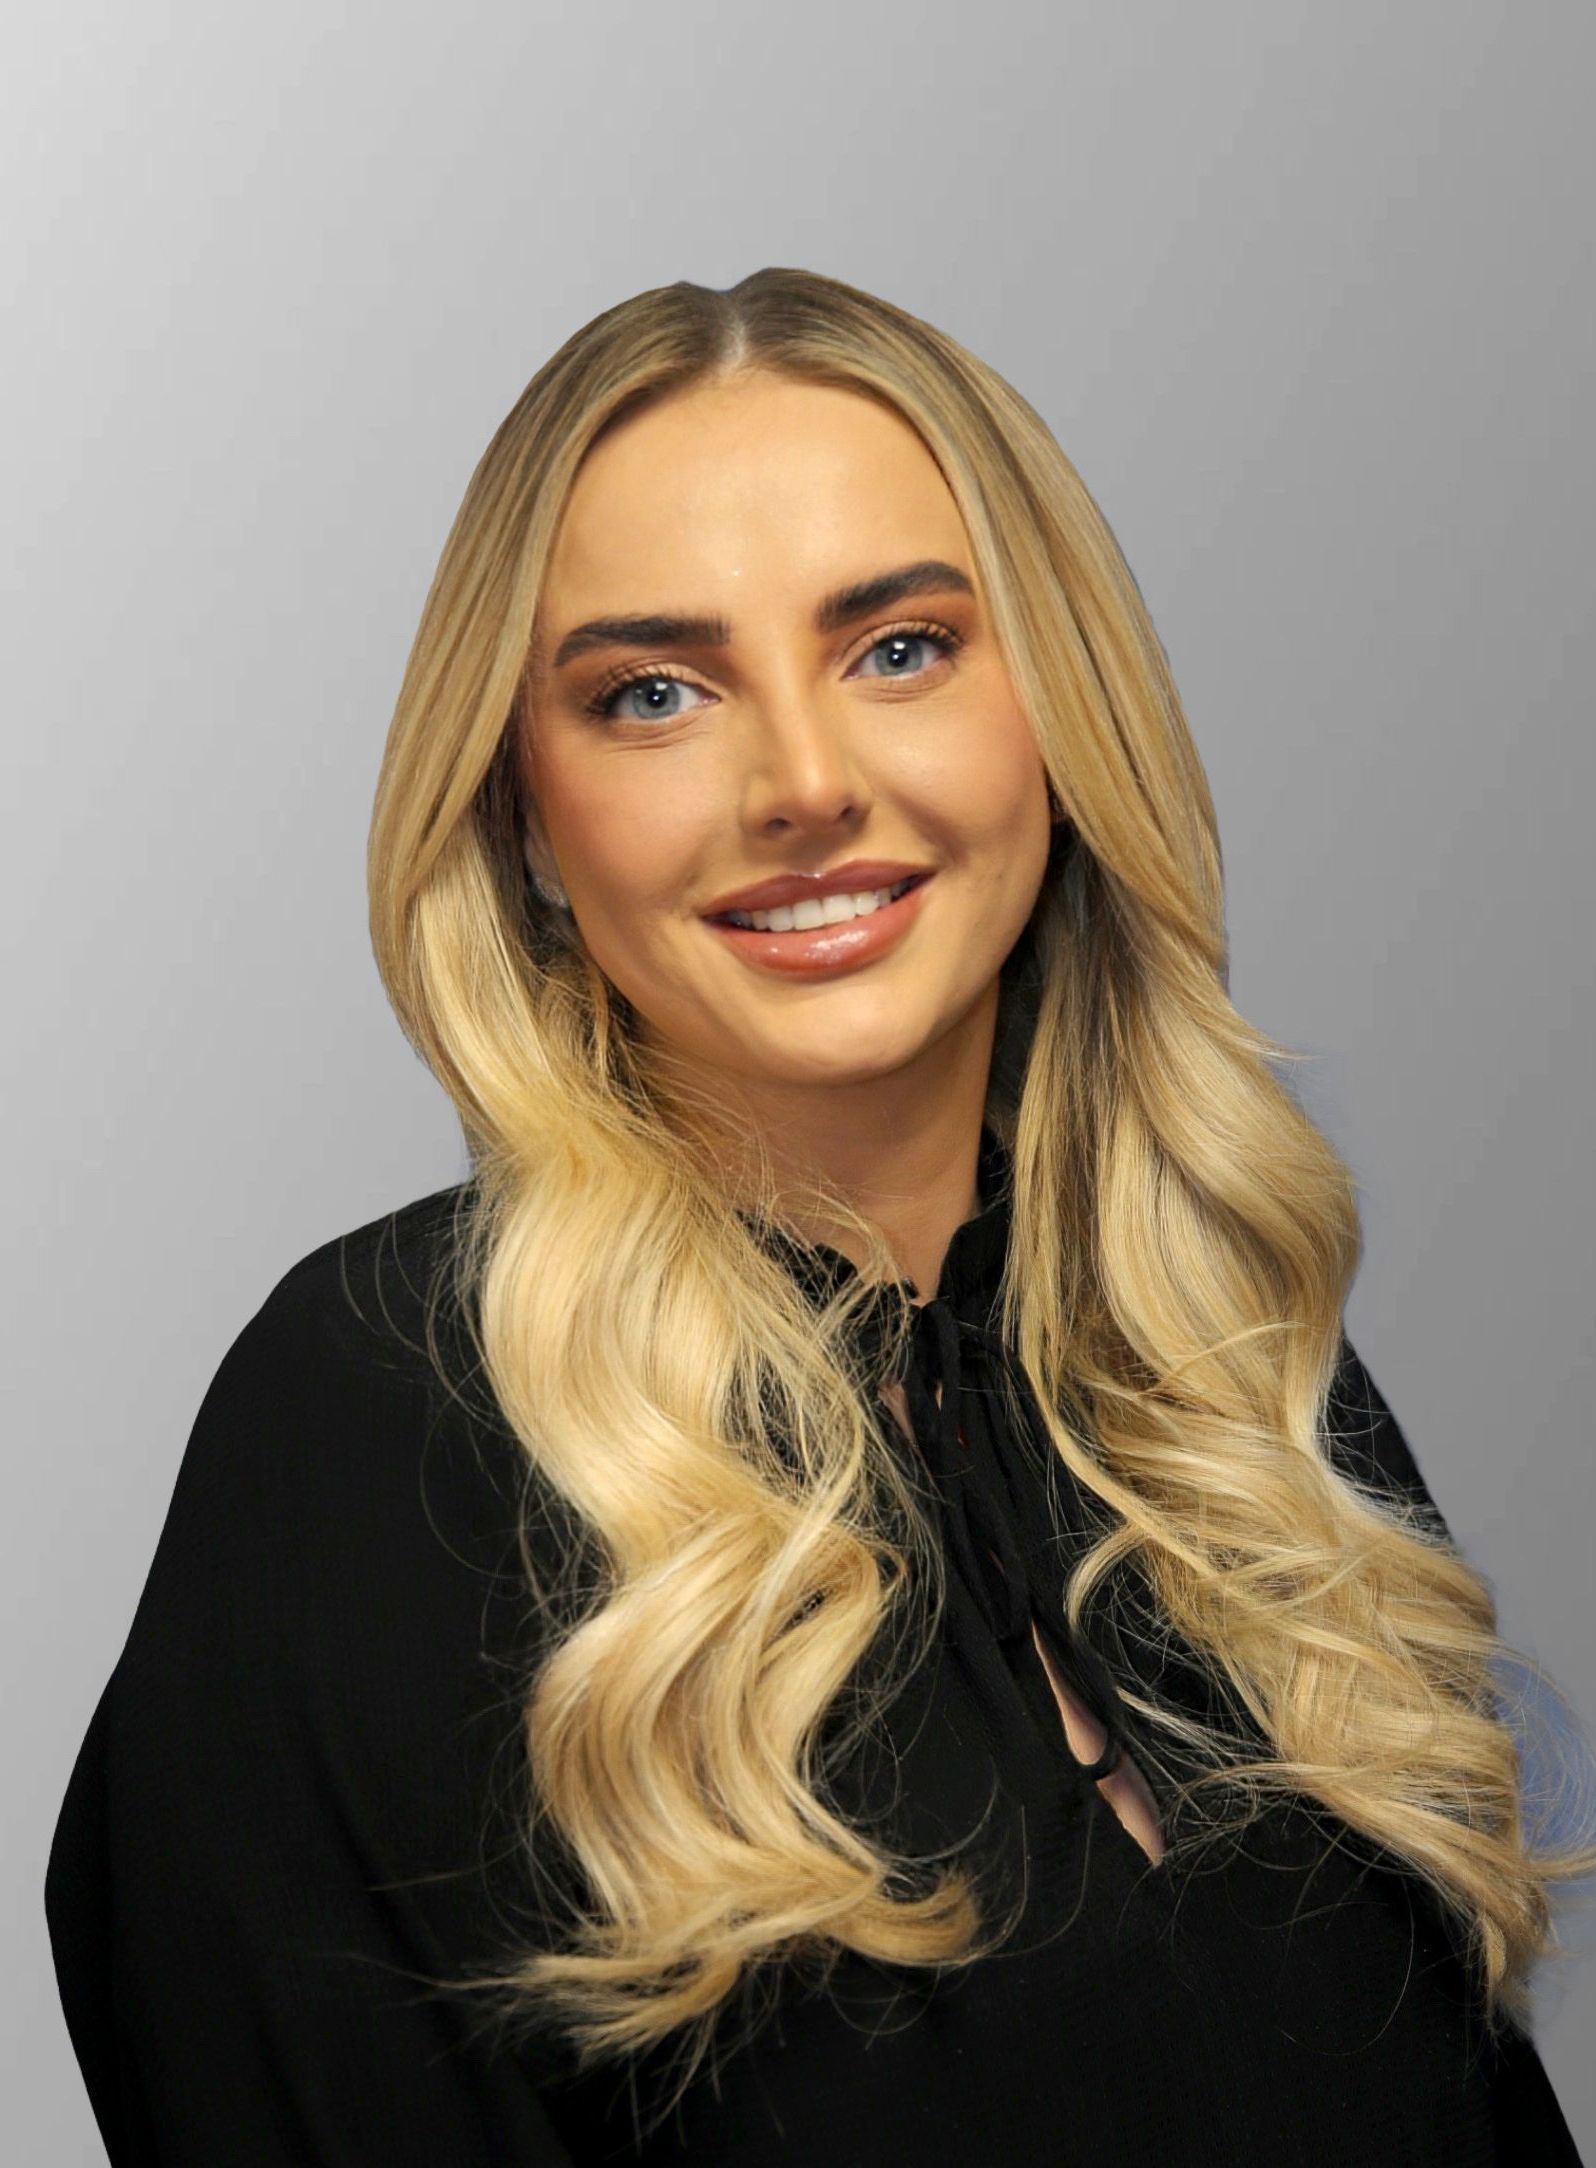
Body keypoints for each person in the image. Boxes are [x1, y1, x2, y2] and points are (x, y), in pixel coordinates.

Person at [45, 267, 1591, 2164]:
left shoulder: (1213, 1357)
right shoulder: (377, 1433)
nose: (804, 785)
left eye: (902, 649)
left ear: (1060, 706)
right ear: (526, 815)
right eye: (655, 694)